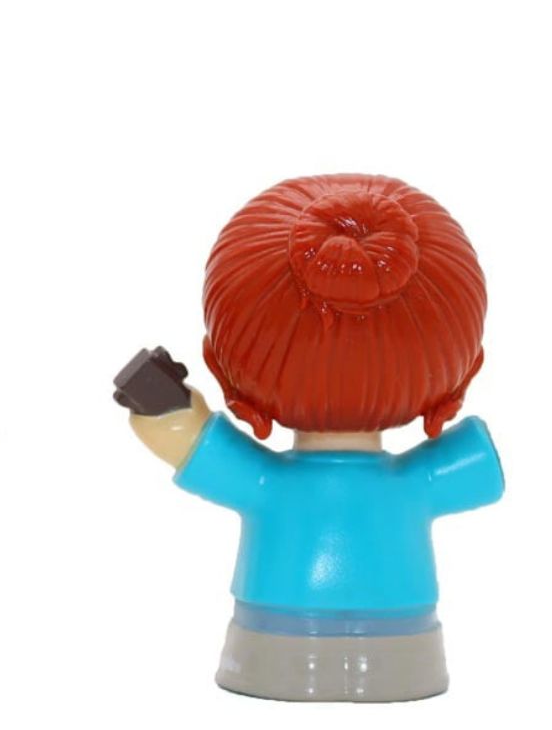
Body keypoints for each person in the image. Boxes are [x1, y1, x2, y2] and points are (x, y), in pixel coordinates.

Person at [115, 174, 504, 701]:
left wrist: (169, 410)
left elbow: (188, 441)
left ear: (224, 366)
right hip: (404, 651)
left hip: (270, 647)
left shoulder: (266, 484)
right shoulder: (415, 483)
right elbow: (480, 468)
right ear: (463, 370)